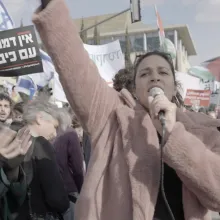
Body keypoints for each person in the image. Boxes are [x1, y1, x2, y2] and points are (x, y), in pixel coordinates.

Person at [34, 1, 220, 220]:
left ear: (174, 84)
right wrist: (52, 8)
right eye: (144, 73)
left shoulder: (202, 128)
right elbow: (76, 67)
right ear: (134, 86)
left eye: (163, 72)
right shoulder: (112, 115)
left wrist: (175, 135)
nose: (155, 76)